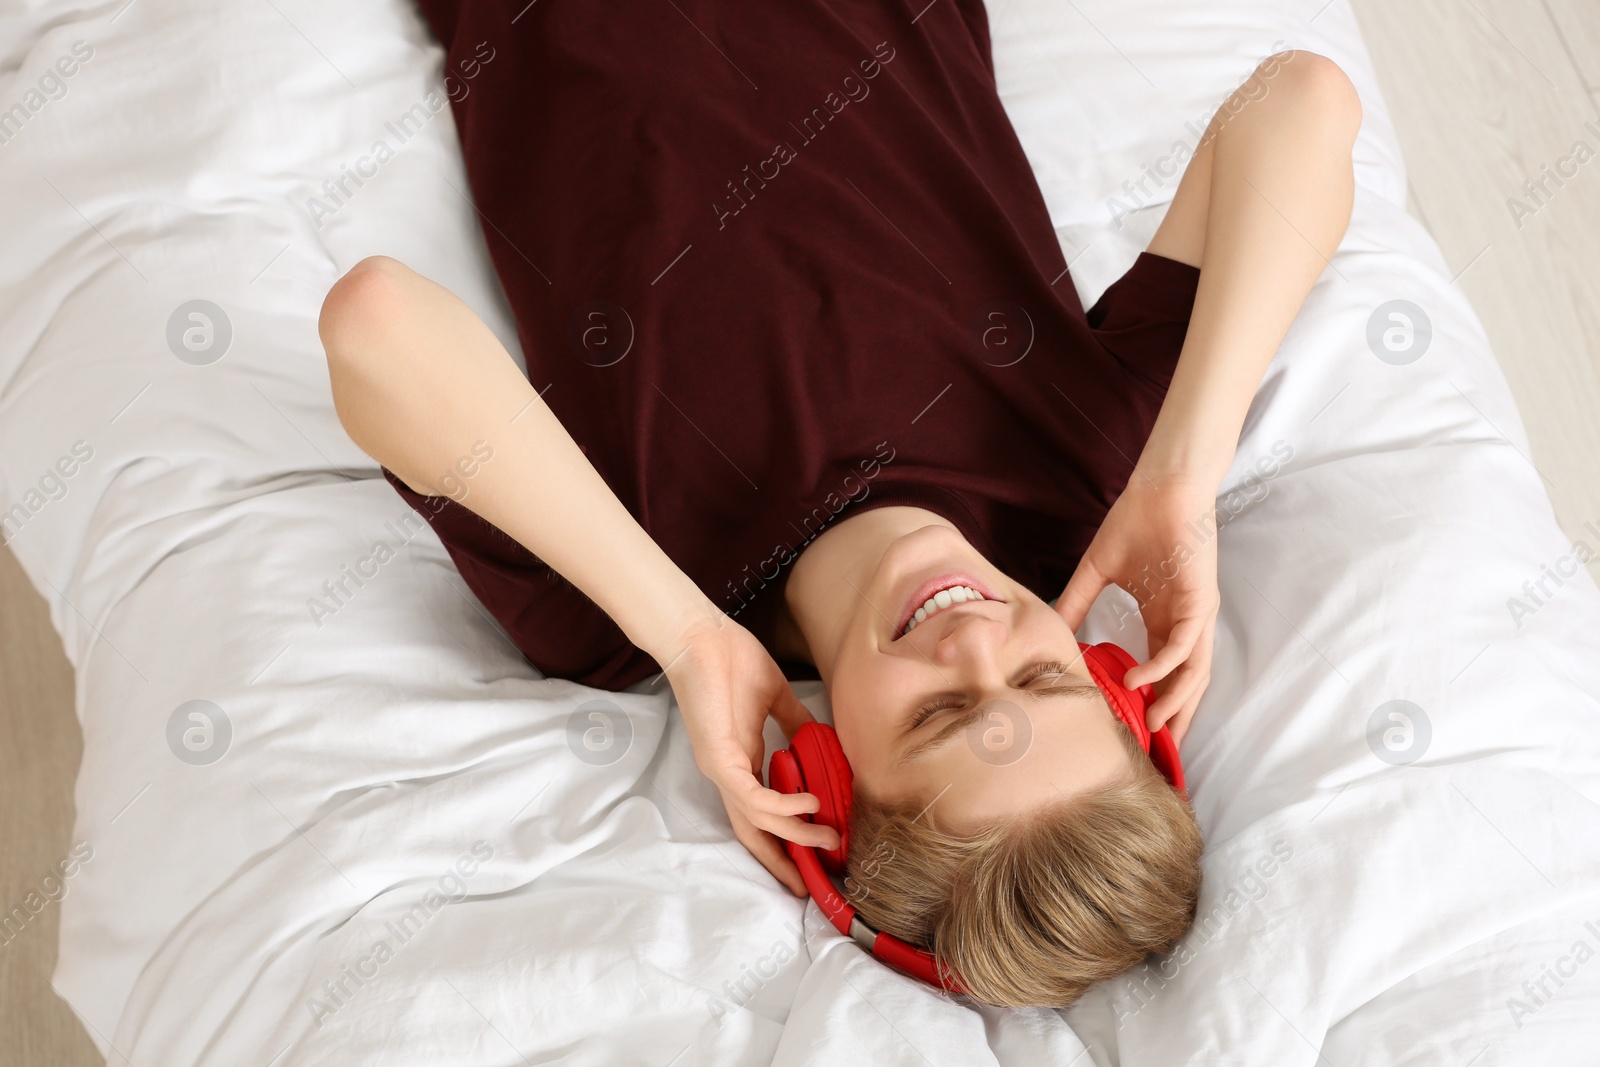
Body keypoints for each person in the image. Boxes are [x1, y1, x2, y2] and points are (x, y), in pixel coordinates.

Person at [317, 0, 1359, 1006]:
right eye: (1045, 675)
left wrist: (685, 634)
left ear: (831, 783)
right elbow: (1301, 103)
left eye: (941, 713)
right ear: (1105, 676)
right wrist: (1182, 471)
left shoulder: (613, 607)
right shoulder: (1090, 479)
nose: (973, 641)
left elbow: (375, 324)